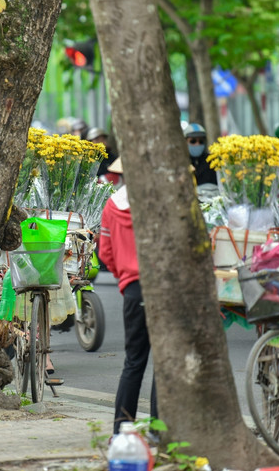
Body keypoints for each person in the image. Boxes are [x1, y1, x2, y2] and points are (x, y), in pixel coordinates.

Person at [98, 157, 157, 435]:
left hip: (133, 289)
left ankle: (121, 430)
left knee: (134, 362)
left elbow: (105, 253)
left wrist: (123, 273)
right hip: (162, 287)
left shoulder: (112, 205)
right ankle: (160, 430)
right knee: (164, 361)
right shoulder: (160, 202)